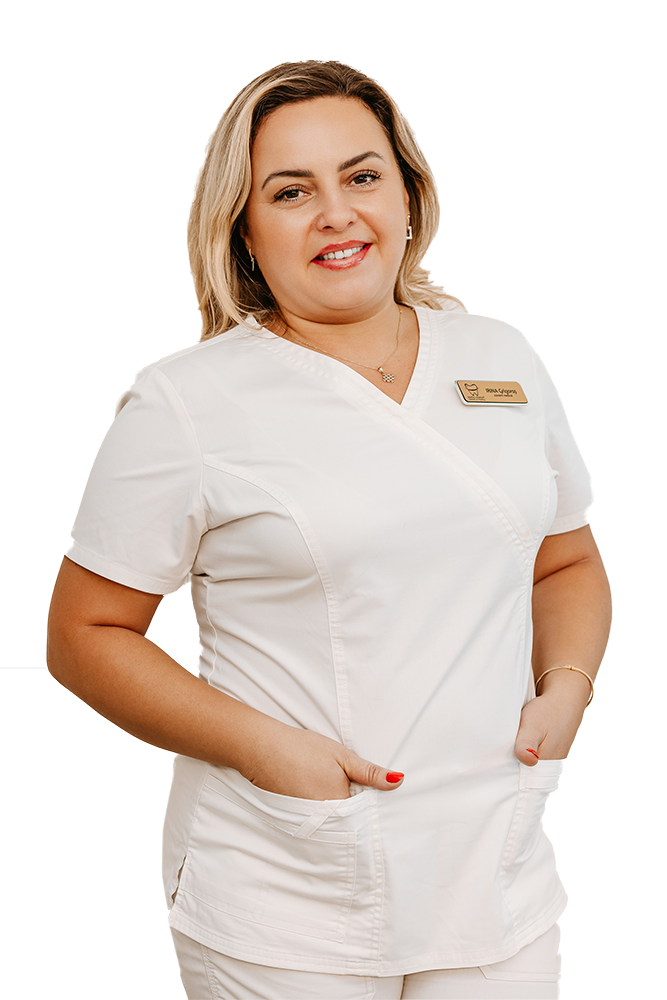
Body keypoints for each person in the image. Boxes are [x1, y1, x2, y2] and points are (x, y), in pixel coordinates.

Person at [46, 59, 611, 1000]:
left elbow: (566, 561)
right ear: (243, 227)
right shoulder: (186, 403)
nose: (336, 213)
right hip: (287, 880)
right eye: (290, 191)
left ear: (407, 195)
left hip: (494, 866)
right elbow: (84, 634)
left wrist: (566, 693)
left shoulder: (499, 358)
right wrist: (269, 751)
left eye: (361, 176)